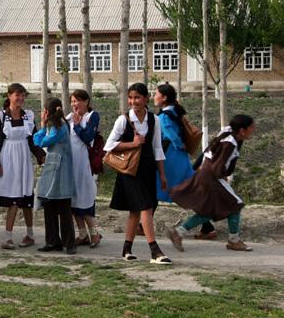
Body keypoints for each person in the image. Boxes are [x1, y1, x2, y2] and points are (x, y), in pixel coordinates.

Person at [166, 115, 256, 252]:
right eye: (251, 127)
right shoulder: (230, 143)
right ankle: (234, 241)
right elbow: (218, 166)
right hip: (212, 177)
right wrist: (222, 176)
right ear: (242, 130)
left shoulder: (228, 133)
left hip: (207, 174)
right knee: (236, 205)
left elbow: (210, 154)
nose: (253, 129)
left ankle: (179, 232)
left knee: (209, 210)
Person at [105, 83, 172, 264]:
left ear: (146, 98)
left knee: (136, 211)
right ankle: (155, 251)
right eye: (130, 98)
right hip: (129, 171)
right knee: (146, 207)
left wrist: (162, 174)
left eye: (137, 98)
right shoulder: (123, 120)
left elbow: (157, 148)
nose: (133, 101)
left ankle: (127, 249)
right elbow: (109, 145)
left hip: (148, 169)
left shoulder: (154, 120)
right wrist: (132, 144)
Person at [0, 83, 46, 250]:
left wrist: (40, 155)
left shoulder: (28, 116)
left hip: (23, 158)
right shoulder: (1, 116)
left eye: (23, 95)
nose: (20, 98)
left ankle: (30, 235)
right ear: (9, 96)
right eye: (17, 95)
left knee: (26, 196)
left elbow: (32, 140)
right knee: (13, 196)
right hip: (8, 158)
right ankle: (7, 237)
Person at [34, 97, 76, 254]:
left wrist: (42, 125)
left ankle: (68, 243)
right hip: (54, 170)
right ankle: (54, 241)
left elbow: (40, 142)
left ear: (46, 112)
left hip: (60, 171)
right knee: (51, 206)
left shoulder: (59, 128)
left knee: (63, 207)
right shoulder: (60, 125)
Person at [66, 89, 102, 248]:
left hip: (83, 164)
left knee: (84, 200)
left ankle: (95, 233)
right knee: (73, 201)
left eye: (78, 101)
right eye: (73, 101)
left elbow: (88, 137)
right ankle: (82, 234)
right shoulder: (68, 118)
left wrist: (76, 125)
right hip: (70, 165)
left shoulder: (92, 116)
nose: (75, 104)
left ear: (86, 101)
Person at [153, 83, 194, 203]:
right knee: (187, 181)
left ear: (164, 98)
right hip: (179, 153)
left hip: (170, 153)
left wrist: (181, 144)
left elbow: (170, 134)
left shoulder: (163, 117)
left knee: (163, 181)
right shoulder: (175, 111)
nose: (153, 97)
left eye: (156, 94)